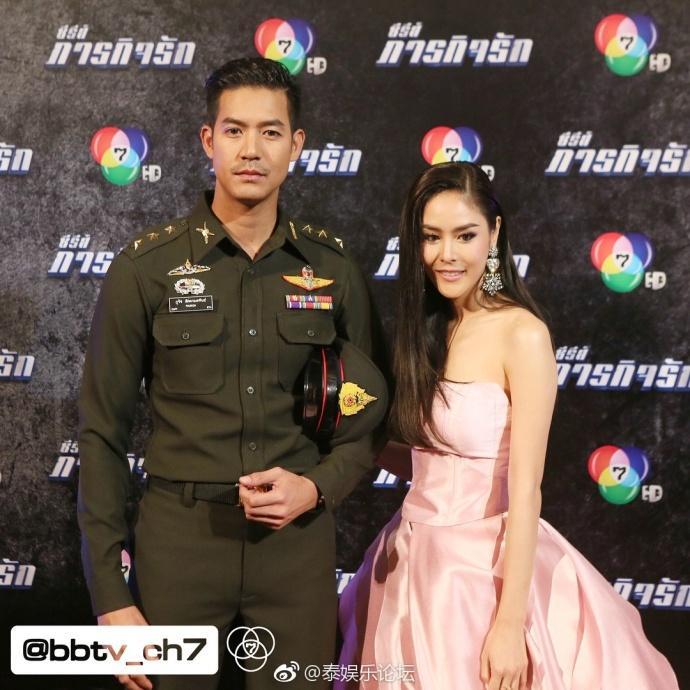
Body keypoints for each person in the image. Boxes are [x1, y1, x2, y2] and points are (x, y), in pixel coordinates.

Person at [77, 57, 387, 690]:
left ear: (296, 145)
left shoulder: (334, 268)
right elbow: (102, 434)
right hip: (179, 547)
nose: (251, 149)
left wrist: (317, 488)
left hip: (296, 551)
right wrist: (110, 595)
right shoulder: (146, 268)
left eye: (271, 132)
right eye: (235, 130)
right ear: (207, 140)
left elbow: (374, 416)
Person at [336, 162, 679, 690]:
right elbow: (434, 464)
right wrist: (352, 433)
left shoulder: (522, 334)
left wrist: (510, 624)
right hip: (409, 563)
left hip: (484, 576)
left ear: (494, 234)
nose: (446, 254)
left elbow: (525, 489)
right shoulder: (429, 331)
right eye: (431, 237)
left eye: (465, 235)